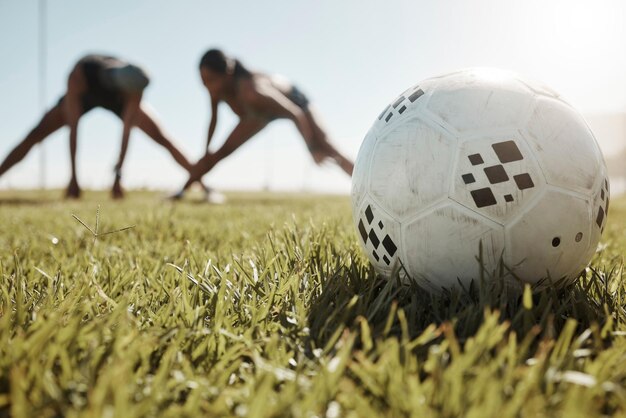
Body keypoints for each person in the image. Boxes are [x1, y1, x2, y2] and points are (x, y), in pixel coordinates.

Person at [0, 54, 195, 198]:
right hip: (84, 95)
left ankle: (199, 180)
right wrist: (74, 179)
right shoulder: (81, 73)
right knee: (35, 135)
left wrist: (118, 177)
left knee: (162, 138)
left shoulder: (134, 84)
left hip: (117, 99)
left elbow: (126, 132)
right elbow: (74, 129)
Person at [171, 48, 354, 199]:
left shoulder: (252, 91)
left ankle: (363, 185)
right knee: (216, 155)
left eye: (211, 81)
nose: (208, 87)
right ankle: (180, 192)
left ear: (226, 74)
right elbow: (213, 120)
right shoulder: (215, 92)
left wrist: (312, 149)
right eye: (204, 82)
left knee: (328, 147)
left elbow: (295, 114)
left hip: (295, 102)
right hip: (256, 115)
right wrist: (206, 150)